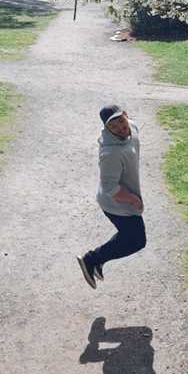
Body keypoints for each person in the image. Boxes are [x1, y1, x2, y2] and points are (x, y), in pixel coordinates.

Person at [77, 105, 146, 289]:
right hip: (116, 203)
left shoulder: (132, 127)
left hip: (124, 198)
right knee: (137, 241)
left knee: (128, 236)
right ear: (107, 128)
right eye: (113, 127)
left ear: (126, 115)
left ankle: (97, 261)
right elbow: (109, 187)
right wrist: (132, 199)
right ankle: (91, 259)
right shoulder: (110, 153)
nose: (121, 128)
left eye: (121, 122)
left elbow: (132, 133)